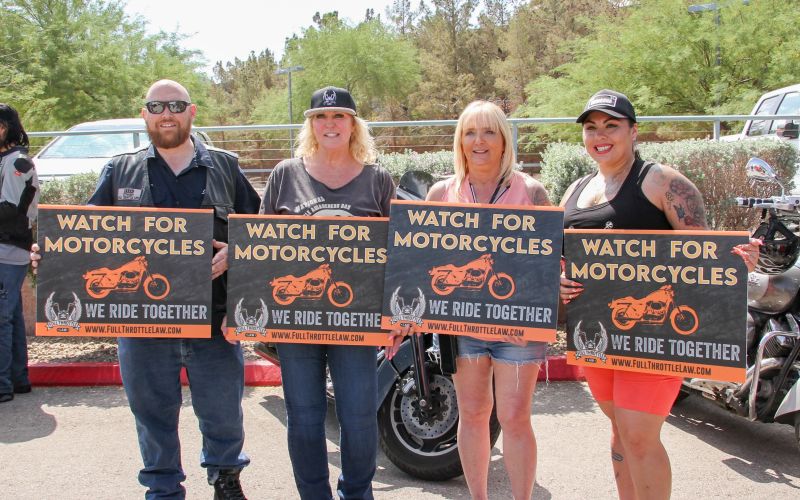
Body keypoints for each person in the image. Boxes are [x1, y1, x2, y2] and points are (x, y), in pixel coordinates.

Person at [32, 80, 260, 499]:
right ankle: (162, 486)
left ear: (192, 112)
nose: (166, 113)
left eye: (175, 105)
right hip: (142, 326)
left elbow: (264, 236)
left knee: (223, 413)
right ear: (145, 114)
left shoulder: (226, 168)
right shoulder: (120, 170)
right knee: (152, 414)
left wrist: (236, 251)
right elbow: (81, 235)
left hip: (213, 320)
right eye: (157, 106)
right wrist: (50, 253)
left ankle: (226, 478)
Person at [559, 89, 759, 500]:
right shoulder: (575, 191)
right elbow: (560, 259)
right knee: (620, 432)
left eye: (611, 126)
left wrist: (738, 262)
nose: (601, 135)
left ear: (634, 131)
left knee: (638, 435)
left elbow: (703, 254)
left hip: (658, 335)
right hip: (598, 333)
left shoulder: (662, 182)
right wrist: (556, 282)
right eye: (592, 127)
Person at [395, 100, 550, 500]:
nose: (479, 141)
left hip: (517, 327)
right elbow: (420, 258)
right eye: (469, 132)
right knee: (474, 414)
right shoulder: (440, 192)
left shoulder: (530, 190)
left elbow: (553, 259)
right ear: (459, 140)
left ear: (504, 140)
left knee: (515, 417)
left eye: (489, 132)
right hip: (462, 329)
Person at [260, 86, 393, 500]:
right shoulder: (285, 174)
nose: (330, 124)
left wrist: (397, 317)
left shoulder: (377, 179)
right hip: (298, 323)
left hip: (358, 321)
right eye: (321, 117)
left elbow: (400, 251)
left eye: (339, 116)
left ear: (353, 124)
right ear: (310, 124)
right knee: (303, 418)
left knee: (357, 417)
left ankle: (357, 493)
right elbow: (260, 248)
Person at [0, 104, 38, 404]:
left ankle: (3, 383)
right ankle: (17, 379)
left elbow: (9, 211)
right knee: (9, 314)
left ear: (3, 127)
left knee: (1, 317)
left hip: (8, 247)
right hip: (10, 248)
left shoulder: (17, 163)